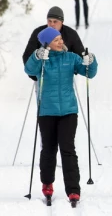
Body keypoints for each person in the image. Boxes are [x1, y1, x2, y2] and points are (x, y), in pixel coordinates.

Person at [24, 27, 97, 204]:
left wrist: (91, 61)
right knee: (48, 149)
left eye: (60, 38)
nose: (61, 41)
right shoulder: (42, 60)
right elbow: (29, 70)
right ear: (47, 43)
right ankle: (47, 184)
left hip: (68, 111)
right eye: (56, 40)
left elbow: (90, 72)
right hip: (47, 110)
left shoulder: (70, 58)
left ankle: (73, 190)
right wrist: (36, 56)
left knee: (68, 149)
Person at [22, 6, 85, 82]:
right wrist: (35, 76)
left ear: (62, 22)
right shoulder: (39, 33)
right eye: (49, 21)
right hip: (43, 77)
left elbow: (81, 55)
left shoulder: (71, 34)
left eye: (55, 21)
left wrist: (74, 69)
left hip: (64, 76)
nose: (52, 24)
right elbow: (27, 55)